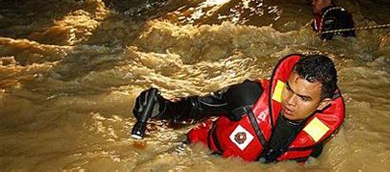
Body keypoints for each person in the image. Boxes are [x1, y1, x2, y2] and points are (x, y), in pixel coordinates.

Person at [133, 54, 345, 164]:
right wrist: (161, 108)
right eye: (289, 89)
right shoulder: (248, 97)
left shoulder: (320, 132)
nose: (290, 101)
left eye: (304, 98)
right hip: (198, 152)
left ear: (323, 104)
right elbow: (197, 107)